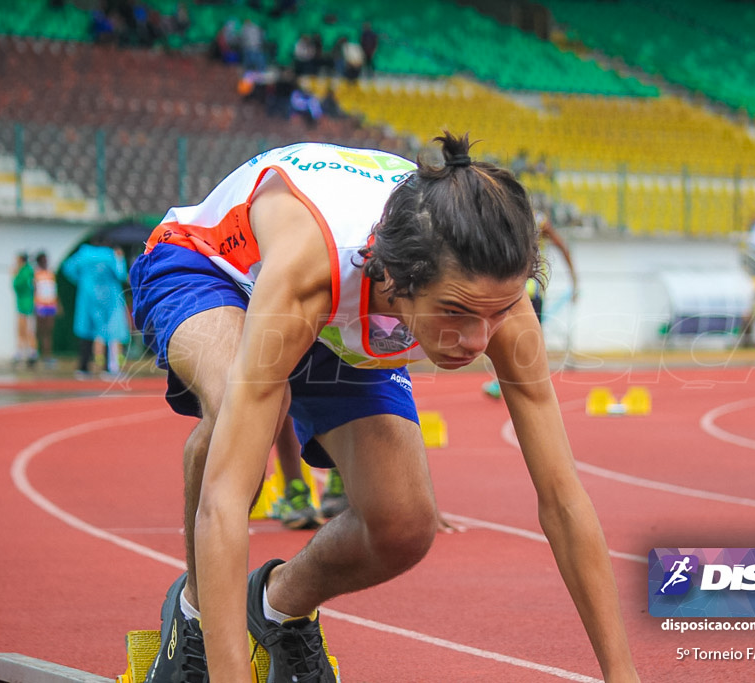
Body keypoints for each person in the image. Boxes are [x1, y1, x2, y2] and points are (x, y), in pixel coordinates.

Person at [128, 133, 639, 682]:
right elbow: (225, 499)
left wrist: (622, 676)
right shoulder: (310, 269)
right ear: (393, 276)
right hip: (214, 266)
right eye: (456, 311)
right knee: (249, 408)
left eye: (497, 312)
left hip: (347, 312)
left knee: (403, 525)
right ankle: (197, 620)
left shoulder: (495, 301)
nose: (475, 340)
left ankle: (278, 608)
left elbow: (563, 500)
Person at [483, 204, 579, 397]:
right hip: (518, 287)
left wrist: (574, 278)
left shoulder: (533, 220)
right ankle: (512, 381)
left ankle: (527, 382)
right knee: (514, 335)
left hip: (526, 289)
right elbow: (563, 248)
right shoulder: (518, 219)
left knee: (524, 336)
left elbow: (562, 247)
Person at [61, 238, 130, 379]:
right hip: (109, 298)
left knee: (86, 331)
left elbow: (67, 268)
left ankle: (83, 367)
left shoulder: (83, 253)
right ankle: (108, 368)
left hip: (87, 296)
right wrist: (120, 259)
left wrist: (81, 280)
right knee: (110, 332)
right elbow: (120, 274)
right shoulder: (110, 255)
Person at [33, 252, 60, 367]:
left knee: (48, 332)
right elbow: (33, 290)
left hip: (50, 306)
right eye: (43, 260)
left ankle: (47, 356)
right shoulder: (35, 274)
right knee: (39, 331)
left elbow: (54, 290)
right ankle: (34, 354)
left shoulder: (50, 274)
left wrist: (57, 305)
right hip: (40, 306)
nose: (45, 262)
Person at [11, 252, 37, 368]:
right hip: (24, 303)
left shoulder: (24, 272)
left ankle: (30, 353)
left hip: (25, 304)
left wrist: (14, 274)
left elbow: (17, 285)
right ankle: (24, 352)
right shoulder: (28, 271)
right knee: (23, 329)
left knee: (25, 330)